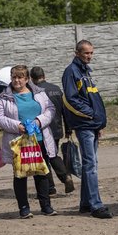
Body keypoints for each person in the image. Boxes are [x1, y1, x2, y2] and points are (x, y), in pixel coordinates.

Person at [0, 65, 58, 219]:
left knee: (41, 173)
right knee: (20, 175)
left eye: (20, 77)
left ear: (27, 79)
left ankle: (46, 206)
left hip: (40, 139)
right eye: (14, 77)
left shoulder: (39, 93)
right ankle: (24, 208)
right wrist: (18, 126)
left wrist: (38, 121)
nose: (17, 80)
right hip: (18, 142)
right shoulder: (3, 97)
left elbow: (50, 109)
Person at [62, 40, 112, 219]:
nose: (89, 56)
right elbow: (70, 99)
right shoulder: (71, 72)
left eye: (91, 53)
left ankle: (85, 203)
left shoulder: (86, 72)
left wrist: (99, 122)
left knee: (89, 164)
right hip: (84, 125)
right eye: (86, 53)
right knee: (90, 165)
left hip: (92, 125)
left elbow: (93, 98)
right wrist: (91, 115)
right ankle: (96, 205)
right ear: (77, 53)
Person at [30, 66, 74, 195]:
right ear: (44, 75)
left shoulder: (34, 91)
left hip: (42, 129)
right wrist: (68, 128)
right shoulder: (56, 89)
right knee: (53, 153)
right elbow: (65, 110)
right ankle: (65, 177)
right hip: (57, 128)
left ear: (32, 79)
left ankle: (51, 187)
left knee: (44, 157)